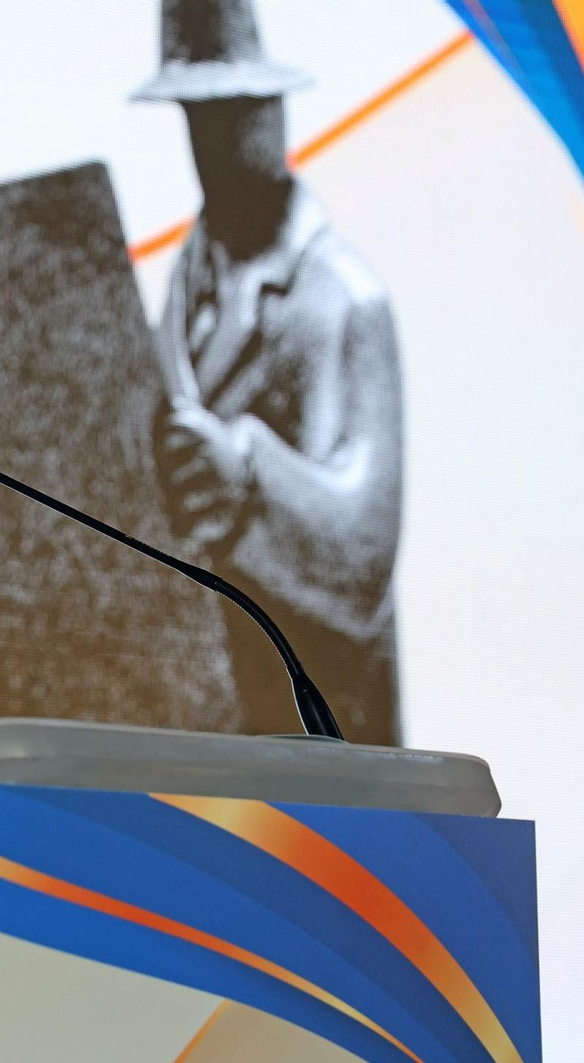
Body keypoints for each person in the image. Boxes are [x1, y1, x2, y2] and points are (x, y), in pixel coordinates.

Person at [133, 0, 404, 742]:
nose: (218, 140)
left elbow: (363, 560)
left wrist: (247, 476)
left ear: (275, 111)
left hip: (330, 729)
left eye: (236, 112)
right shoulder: (190, 282)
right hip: (220, 720)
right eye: (199, 116)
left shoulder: (345, 300)